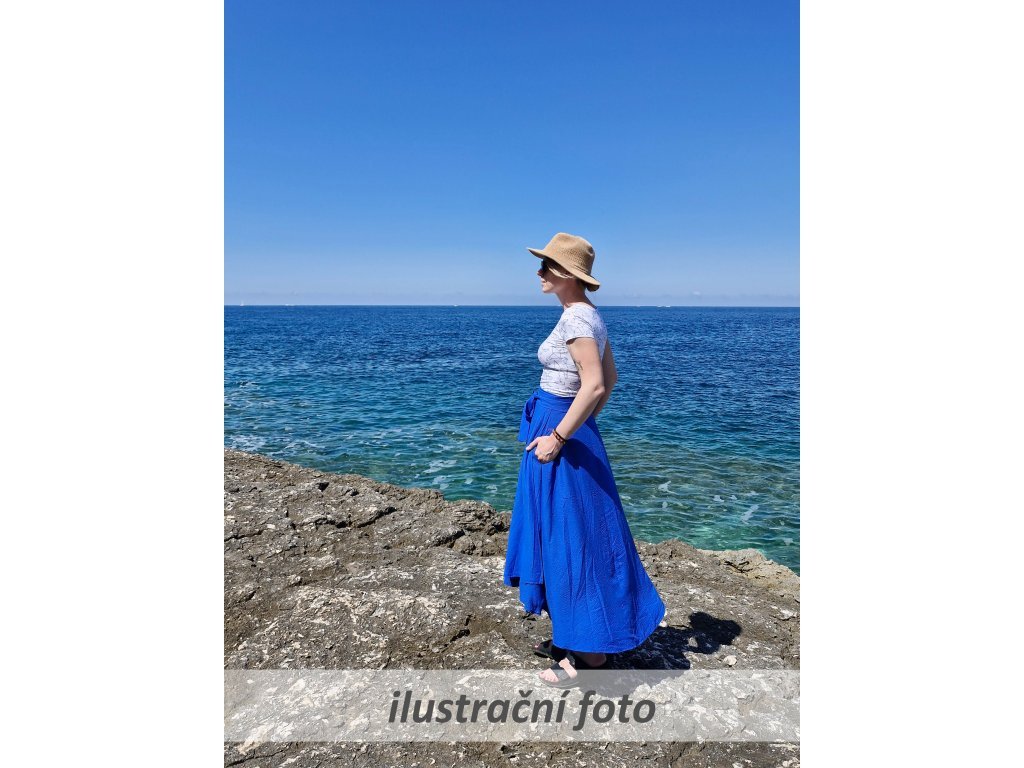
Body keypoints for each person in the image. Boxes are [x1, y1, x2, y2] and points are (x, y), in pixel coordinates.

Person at [503, 232, 667, 689]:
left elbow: (595, 384)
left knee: (568, 540)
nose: (539, 272)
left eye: (546, 266)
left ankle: (590, 657)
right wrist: (581, 428)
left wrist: (559, 435)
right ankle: (577, 636)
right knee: (575, 535)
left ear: (565, 274)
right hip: (572, 430)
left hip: (560, 432)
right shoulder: (588, 314)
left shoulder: (577, 317)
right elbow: (609, 380)